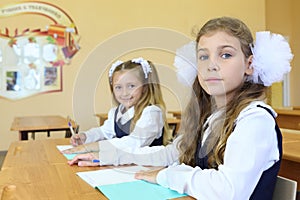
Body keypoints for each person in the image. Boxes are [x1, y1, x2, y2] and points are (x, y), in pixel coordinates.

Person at [68, 17, 293, 199]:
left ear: (249, 64)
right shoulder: (210, 117)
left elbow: (227, 191)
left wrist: (167, 176)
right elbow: (169, 153)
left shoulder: (254, 120)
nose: (211, 65)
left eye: (225, 54)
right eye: (203, 56)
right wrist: (107, 155)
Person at [63, 57, 171, 165]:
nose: (124, 93)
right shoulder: (117, 112)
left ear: (144, 87)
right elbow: (104, 132)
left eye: (131, 86)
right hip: (126, 165)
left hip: (150, 168)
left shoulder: (152, 113)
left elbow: (134, 142)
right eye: (118, 87)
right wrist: (85, 137)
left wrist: (92, 147)